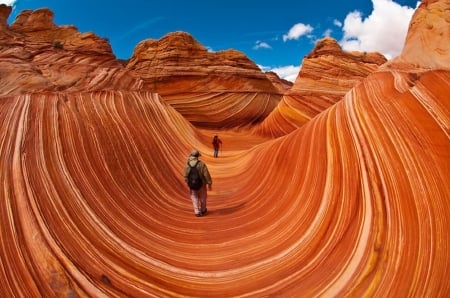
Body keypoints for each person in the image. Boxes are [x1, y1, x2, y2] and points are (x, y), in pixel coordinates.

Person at [184, 149, 212, 217]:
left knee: (194, 197)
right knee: (203, 197)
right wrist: (209, 183)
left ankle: (197, 211)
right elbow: (206, 174)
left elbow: (185, 175)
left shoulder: (187, 164)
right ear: (197, 156)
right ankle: (203, 210)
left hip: (192, 185)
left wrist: (188, 182)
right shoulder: (201, 164)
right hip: (201, 184)